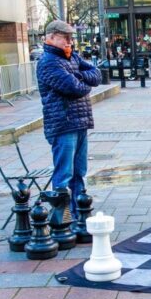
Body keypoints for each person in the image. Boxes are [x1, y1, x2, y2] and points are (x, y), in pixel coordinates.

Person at [36, 20, 102, 218]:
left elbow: (97, 75)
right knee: (64, 173)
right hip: (63, 124)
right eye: (65, 37)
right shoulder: (48, 61)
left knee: (79, 171)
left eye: (71, 37)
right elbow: (74, 88)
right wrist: (83, 80)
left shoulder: (71, 56)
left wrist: (77, 76)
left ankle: (78, 213)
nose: (70, 41)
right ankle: (61, 218)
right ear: (51, 37)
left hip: (80, 121)